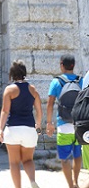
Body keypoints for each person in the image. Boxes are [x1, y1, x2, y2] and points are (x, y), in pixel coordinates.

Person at [0, 60, 42, 188]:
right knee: (28, 160)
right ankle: (32, 181)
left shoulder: (9, 89)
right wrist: (38, 125)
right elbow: (39, 110)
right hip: (29, 128)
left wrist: (1, 129)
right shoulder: (32, 89)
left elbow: (5, 111)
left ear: (12, 74)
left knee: (14, 163)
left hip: (13, 129)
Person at [46, 54, 83, 188]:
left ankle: (70, 185)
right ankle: (77, 182)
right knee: (78, 154)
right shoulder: (81, 81)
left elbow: (50, 104)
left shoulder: (56, 82)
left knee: (64, 158)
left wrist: (49, 123)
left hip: (63, 125)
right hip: (79, 125)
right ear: (73, 65)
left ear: (62, 65)